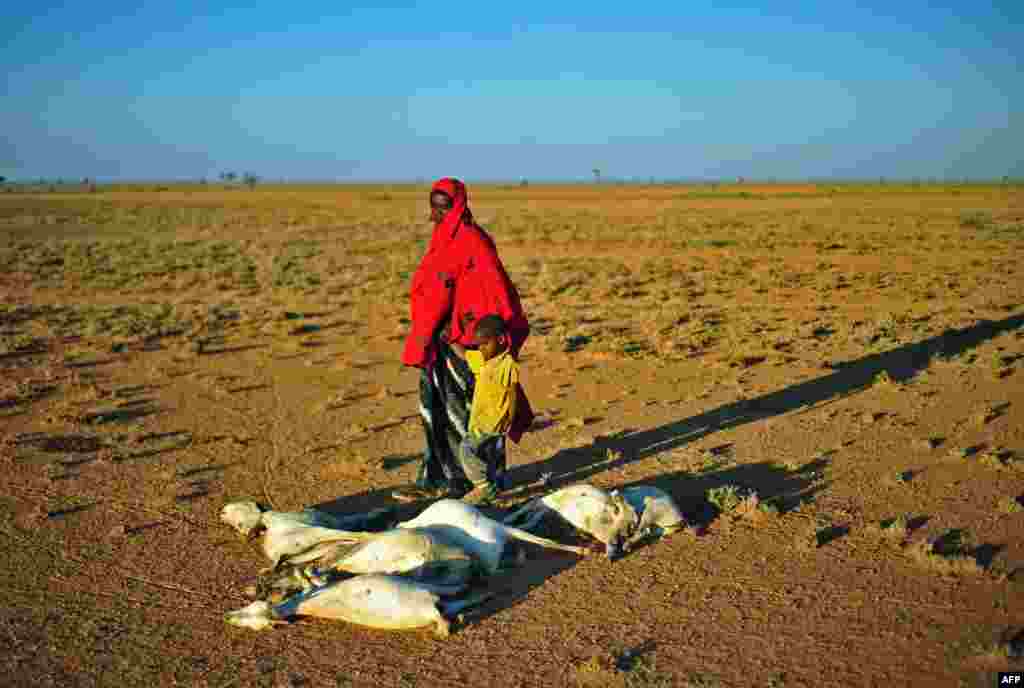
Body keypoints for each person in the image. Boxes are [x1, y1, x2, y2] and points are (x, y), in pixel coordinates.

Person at [393, 178, 531, 502]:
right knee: (437, 409)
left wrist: (471, 334)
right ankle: (437, 477)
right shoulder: (443, 238)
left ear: (459, 205)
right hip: (440, 341)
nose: (437, 213)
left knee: (474, 412)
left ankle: (473, 482)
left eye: (444, 206)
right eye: (434, 205)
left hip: (467, 343)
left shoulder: (472, 241)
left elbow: (493, 293)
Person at [448, 314, 526, 505]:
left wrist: (510, 417)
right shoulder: (483, 360)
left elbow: (513, 392)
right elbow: (464, 354)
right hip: (480, 420)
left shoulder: (507, 364)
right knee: (482, 453)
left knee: (466, 450)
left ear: (500, 340)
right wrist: (451, 338)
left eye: (484, 344)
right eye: (478, 345)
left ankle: (484, 487)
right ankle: (489, 487)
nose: (481, 349)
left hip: (494, 421)